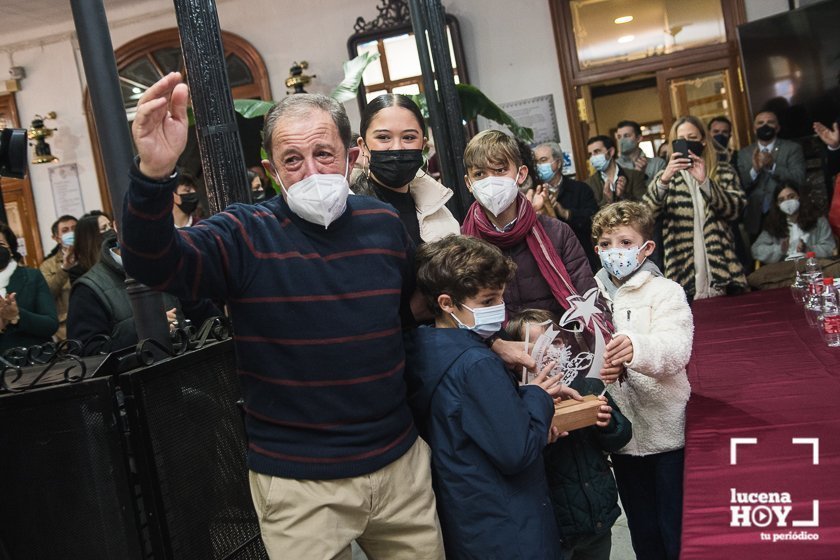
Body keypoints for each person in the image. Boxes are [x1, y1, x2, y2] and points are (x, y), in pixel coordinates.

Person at [121, 72, 444, 559]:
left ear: (351, 157)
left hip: (400, 467)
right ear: (272, 170)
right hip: (299, 484)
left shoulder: (382, 225)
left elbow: (409, 317)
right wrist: (152, 175)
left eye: (323, 154)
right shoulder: (244, 233)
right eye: (292, 160)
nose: (310, 171)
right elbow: (154, 262)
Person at [405, 234, 566, 560]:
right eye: (488, 301)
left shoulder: (422, 346)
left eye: (501, 299)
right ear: (446, 303)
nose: (500, 311)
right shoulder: (476, 363)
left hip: (468, 518)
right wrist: (537, 397)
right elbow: (516, 451)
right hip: (509, 524)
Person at [591, 201, 694, 560]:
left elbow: (676, 349)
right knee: (642, 530)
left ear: (646, 247)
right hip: (623, 435)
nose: (614, 251)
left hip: (667, 433)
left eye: (625, 241)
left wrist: (634, 348)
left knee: (674, 528)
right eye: (606, 243)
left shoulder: (666, 292)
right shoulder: (592, 297)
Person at [506, 307, 632, 560]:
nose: (548, 351)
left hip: (598, 515)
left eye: (555, 342)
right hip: (556, 525)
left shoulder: (587, 385)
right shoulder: (517, 401)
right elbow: (518, 455)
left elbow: (622, 435)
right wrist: (543, 437)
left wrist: (607, 423)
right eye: (536, 345)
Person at [461, 130, 596, 318]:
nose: (490, 181)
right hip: (494, 346)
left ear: (521, 174)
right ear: (469, 183)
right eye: (479, 174)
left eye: (500, 170)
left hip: (558, 341)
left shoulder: (557, 233)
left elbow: (589, 300)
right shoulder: (462, 246)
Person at [67, 227, 221, 355]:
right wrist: (145, 326)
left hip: (186, 378)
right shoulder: (89, 289)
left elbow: (211, 321)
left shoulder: (168, 268)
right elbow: (88, 357)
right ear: (117, 226)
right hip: (130, 388)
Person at [645, 115, 748, 300]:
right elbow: (646, 217)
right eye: (681, 140)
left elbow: (736, 210)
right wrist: (663, 181)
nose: (686, 144)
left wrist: (706, 182)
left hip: (722, 269)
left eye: (692, 138)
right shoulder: (666, 177)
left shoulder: (723, 170)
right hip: (681, 271)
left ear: (703, 141)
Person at [351, 93, 459, 245]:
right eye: (383, 137)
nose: (397, 147)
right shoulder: (348, 211)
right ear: (363, 146)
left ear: (423, 145)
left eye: (409, 137)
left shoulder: (439, 211)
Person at [737, 110, 806, 240]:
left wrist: (773, 166)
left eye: (770, 122)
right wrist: (755, 170)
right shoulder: (744, 153)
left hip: (786, 214)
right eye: (760, 123)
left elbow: (799, 178)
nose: (765, 126)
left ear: (778, 127)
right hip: (755, 217)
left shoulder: (792, 148)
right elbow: (740, 185)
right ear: (754, 129)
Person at [532, 141, 599, 272]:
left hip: (582, 259)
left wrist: (565, 213)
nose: (539, 165)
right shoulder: (533, 192)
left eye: (543, 160)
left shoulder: (580, 189)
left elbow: (594, 221)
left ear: (558, 163)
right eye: (536, 162)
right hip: (550, 262)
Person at [0, 222, 58, 352]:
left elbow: (50, 324)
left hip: (33, 361)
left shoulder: (32, 277)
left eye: (1, 244)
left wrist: (17, 315)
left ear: (10, 249)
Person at [751, 183, 836, 264]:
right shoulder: (773, 225)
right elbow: (756, 250)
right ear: (777, 204)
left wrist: (807, 249)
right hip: (785, 271)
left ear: (799, 196)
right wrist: (780, 249)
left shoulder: (819, 221)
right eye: (781, 200)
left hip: (815, 266)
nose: (787, 202)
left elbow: (830, 247)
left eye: (791, 197)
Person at [39, 214, 77, 341]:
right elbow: (48, 293)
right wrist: (64, 268)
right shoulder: (47, 266)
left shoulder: (92, 256)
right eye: (65, 231)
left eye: (74, 228)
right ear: (56, 238)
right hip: (65, 331)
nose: (71, 233)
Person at [585, 135, 646, 207]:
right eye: (590, 154)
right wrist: (608, 201)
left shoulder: (634, 176)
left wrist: (623, 195)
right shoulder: (589, 184)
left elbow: (643, 207)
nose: (593, 157)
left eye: (597, 151)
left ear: (611, 152)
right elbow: (592, 214)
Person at [63, 211, 111, 283]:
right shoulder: (78, 271)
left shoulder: (117, 253)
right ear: (90, 236)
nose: (110, 230)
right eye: (104, 228)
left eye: (111, 226)